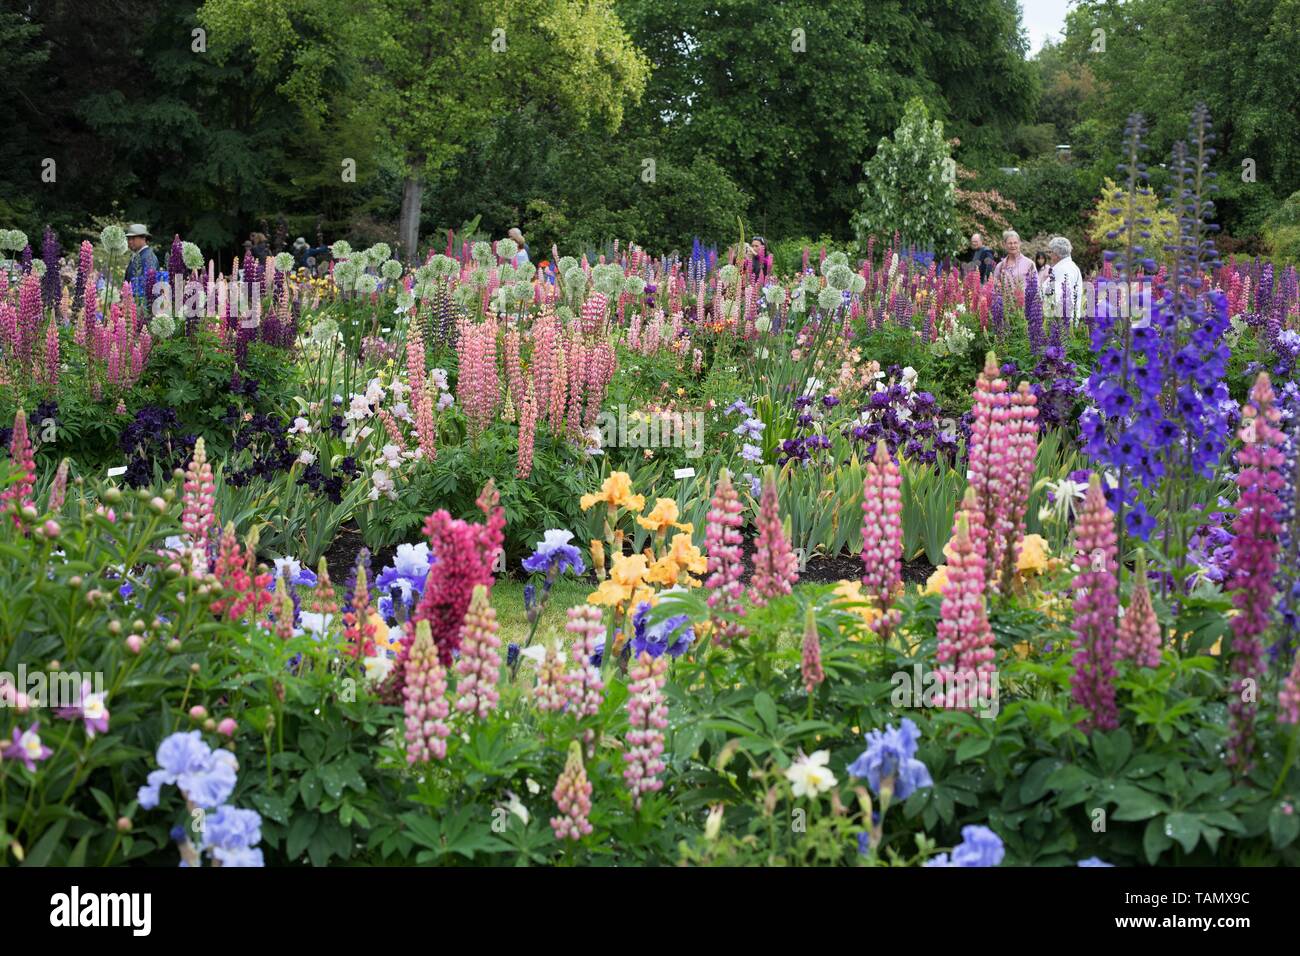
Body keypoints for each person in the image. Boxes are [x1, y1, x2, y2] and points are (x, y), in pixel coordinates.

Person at [1047, 236, 1084, 322]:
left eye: (1050, 252)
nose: (1050, 255)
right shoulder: (1068, 266)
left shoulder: (1064, 269)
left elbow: (1059, 297)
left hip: (1063, 321)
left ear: (1056, 254)